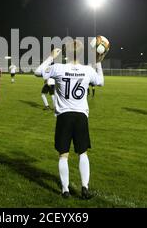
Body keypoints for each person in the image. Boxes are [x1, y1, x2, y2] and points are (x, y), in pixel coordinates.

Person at [35, 40, 105, 199]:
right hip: (81, 116)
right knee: (83, 153)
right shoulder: (87, 70)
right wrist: (98, 63)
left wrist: (51, 57)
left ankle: (65, 190)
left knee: (63, 155)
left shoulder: (59, 68)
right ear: (82, 53)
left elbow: (38, 72)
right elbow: (101, 82)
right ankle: (85, 187)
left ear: (66, 53)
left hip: (64, 116)